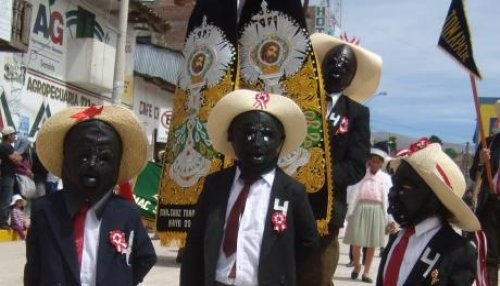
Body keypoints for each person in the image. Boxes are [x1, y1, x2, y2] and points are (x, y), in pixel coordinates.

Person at [180, 89, 319, 286]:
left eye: (268, 134)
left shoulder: (292, 192)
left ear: (281, 141)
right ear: (230, 135)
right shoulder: (215, 185)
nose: (257, 142)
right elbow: (195, 243)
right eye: (248, 132)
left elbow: (308, 248)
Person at [25, 105, 157, 286]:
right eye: (84, 156)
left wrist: (122, 280)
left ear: (116, 164)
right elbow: (34, 267)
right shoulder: (46, 210)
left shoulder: (126, 213)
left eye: (104, 159)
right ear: (67, 158)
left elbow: (146, 256)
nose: (92, 165)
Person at [297, 33, 382, 286]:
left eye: (345, 66)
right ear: (321, 64)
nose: (337, 68)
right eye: (333, 62)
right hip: (290, 199)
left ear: (351, 77)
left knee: (318, 273)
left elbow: (356, 165)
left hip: (327, 207)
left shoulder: (356, 113)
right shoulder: (301, 101)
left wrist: (318, 175)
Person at [376, 139, 481, 286]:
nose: (395, 192)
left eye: (406, 185)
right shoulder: (396, 239)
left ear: (434, 197)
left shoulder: (458, 252)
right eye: (396, 184)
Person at [343, 141, 396, 283]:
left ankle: (366, 272)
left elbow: (389, 200)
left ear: (381, 164)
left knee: (372, 244)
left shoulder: (386, 179)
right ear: (369, 161)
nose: (374, 164)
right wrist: (350, 211)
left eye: (377, 162)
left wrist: (390, 219)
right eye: (372, 161)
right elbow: (352, 192)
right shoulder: (360, 175)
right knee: (356, 243)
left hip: (377, 211)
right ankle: (357, 266)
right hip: (360, 209)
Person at [469, 99, 500, 286]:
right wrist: (481, 162)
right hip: (492, 206)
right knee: (491, 258)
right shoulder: (487, 144)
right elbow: (474, 174)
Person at [0, 126, 22, 229]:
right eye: (14, 134)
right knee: (6, 199)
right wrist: (17, 157)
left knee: (7, 198)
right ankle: (3, 222)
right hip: (7, 176)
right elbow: (17, 160)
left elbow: (18, 158)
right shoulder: (6, 146)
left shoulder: (7, 146)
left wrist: (18, 157)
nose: (15, 136)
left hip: (8, 176)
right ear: (9, 136)